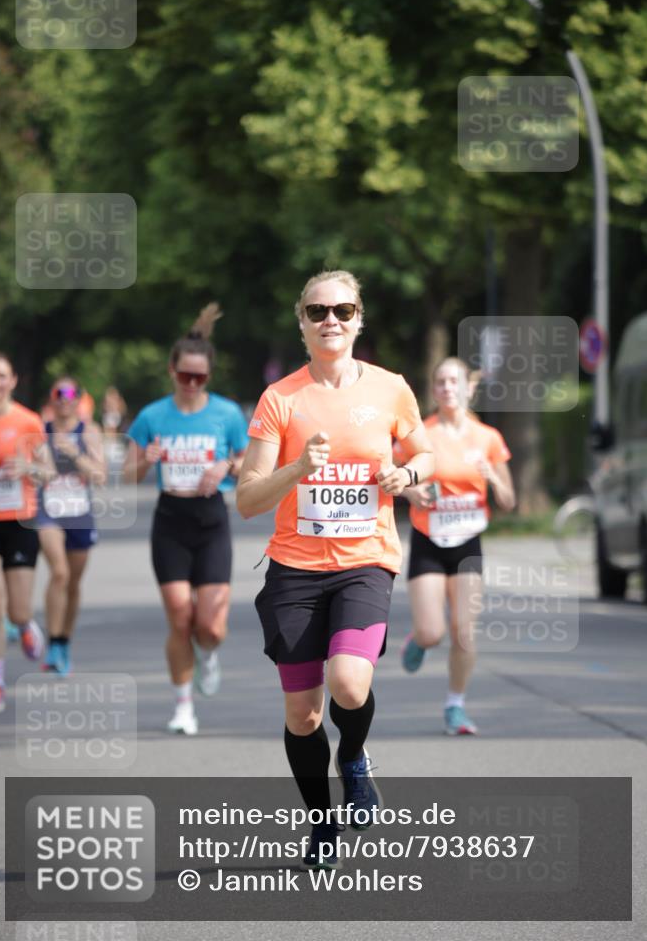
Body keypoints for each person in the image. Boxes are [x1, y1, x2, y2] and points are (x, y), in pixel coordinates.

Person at [236, 271, 434, 868]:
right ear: (301, 322)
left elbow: (424, 450)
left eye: (343, 310)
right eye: (318, 311)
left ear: (358, 319)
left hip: (365, 562)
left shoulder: (392, 388)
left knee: (351, 684)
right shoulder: (281, 399)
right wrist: (298, 468)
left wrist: (409, 474)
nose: (331, 320)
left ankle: (354, 756)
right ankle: (320, 822)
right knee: (304, 714)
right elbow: (247, 499)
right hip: (295, 569)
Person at [125, 304, 249, 735]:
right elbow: (129, 472)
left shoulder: (228, 413)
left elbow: (245, 457)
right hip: (171, 520)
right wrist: (146, 459)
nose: (192, 384)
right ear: (171, 371)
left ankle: (208, 654)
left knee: (210, 625)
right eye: (184, 376)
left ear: (208, 377)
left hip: (212, 519)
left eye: (200, 378)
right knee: (179, 616)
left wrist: (226, 469)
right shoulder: (152, 415)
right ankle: (183, 706)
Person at [400, 357, 515, 735]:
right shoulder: (421, 434)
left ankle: (455, 706)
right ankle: (418, 641)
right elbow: (394, 478)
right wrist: (411, 491)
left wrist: (493, 480)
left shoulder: (488, 438)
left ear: (470, 388)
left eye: (455, 381)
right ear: (433, 391)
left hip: (468, 540)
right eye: (441, 382)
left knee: (464, 632)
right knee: (434, 632)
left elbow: (510, 500)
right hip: (429, 539)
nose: (448, 387)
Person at [0, 353, 52, 712]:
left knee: (16, 609)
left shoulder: (27, 421)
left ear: (12, 381)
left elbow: (50, 471)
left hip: (20, 521)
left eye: (0, 376)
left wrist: (28, 466)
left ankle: (25, 624)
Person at [36, 377, 106, 676]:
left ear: (79, 399)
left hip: (79, 513)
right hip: (47, 511)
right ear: (51, 398)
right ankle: (52, 644)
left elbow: (100, 475)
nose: (64, 399)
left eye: (70, 394)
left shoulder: (88, 431)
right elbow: (33, 470)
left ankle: (64, 641)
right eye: (58, 393)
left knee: (73, 584)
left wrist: (74, 453)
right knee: (59, 573)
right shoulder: (40, 430)